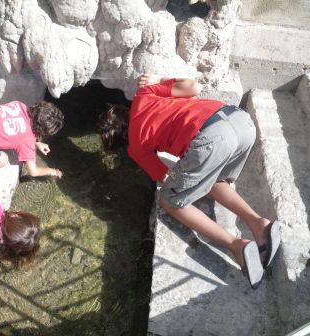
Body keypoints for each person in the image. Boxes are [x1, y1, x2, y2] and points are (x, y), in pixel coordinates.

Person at [96, 74, 280, 289]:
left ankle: (236, 246)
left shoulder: (135, 147)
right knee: (211, 176)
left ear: (120, 142)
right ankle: (259, 224)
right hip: (239, 121)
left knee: (170, 201)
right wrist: (159, 78)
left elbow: (166, 178)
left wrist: (175, 168)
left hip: (211, 140)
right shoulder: (145, 94)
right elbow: (193, 86)